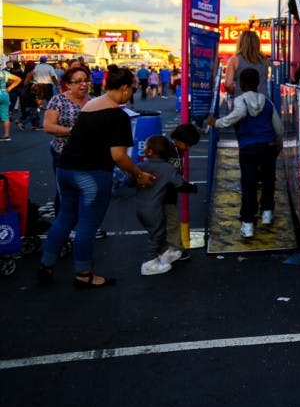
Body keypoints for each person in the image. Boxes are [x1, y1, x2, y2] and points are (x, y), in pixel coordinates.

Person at [37, 67, 155, 289]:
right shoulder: (118, 115)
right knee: (87, 225)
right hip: (92, 173)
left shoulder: (91, 105)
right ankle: (83, 274)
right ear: (124, 88)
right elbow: (118, 156)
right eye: (133, 88)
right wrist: (139, 174)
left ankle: (46, 265)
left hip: (66, 168)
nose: (133, 92)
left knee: (65, 217)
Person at [207, 68, 282, 238]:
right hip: (268, 145)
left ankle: (248, 223)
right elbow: (278, 128)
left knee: (249, 184)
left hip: (248, 147)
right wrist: (277, 147)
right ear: (258, 83)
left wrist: (218, 123)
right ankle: (267, 213)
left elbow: (238, 114)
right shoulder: (267, 102)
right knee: (268, 179)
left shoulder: (240, 100)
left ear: (241, 84)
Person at [131, 135, 196, 276]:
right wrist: (192, 188)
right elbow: (179, 184)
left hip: (140, 208)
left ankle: (164, 253)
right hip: (155, 210)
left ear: (149, 152)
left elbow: (127, 182)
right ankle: (148, 263)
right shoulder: (168, 168)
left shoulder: (140, 166)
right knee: (157, 234)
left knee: (155, 232)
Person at [43, 66, 93, 218]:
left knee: (87, 190)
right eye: (78, 81)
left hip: (88, 154)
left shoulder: (93, 101)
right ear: (69, 84)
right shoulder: (58, 100)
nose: (83, 84)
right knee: (65, 192)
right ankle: (63, 227)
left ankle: (85, 225)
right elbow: (48, 126)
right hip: (63, 153)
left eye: (85, 80)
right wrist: (73, 131)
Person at [161, 123, 202, 262]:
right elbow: (171, 177)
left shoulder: (175, 150)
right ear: (178, 140)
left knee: (167, 223)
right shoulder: (170, 152)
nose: (189, 148)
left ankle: (171, 249)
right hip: (164, 195)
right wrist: (187, 186)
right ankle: (174, 250)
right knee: (171, 223)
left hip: (166, 194)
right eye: (187, 145)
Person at [224, 30, 269, 99]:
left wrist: (236, 90)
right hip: (262, 101)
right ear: (257, 43)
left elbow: (228, 84)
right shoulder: (264, 60)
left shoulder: (234, 60)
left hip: (242, 102)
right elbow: (264, 81)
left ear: (240, 43)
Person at [0, 59, 22, 142]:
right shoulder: (4, 73)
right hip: (4, 94)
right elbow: (18, 79)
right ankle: (6, 135)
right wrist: (9, 88)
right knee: (5, 116)